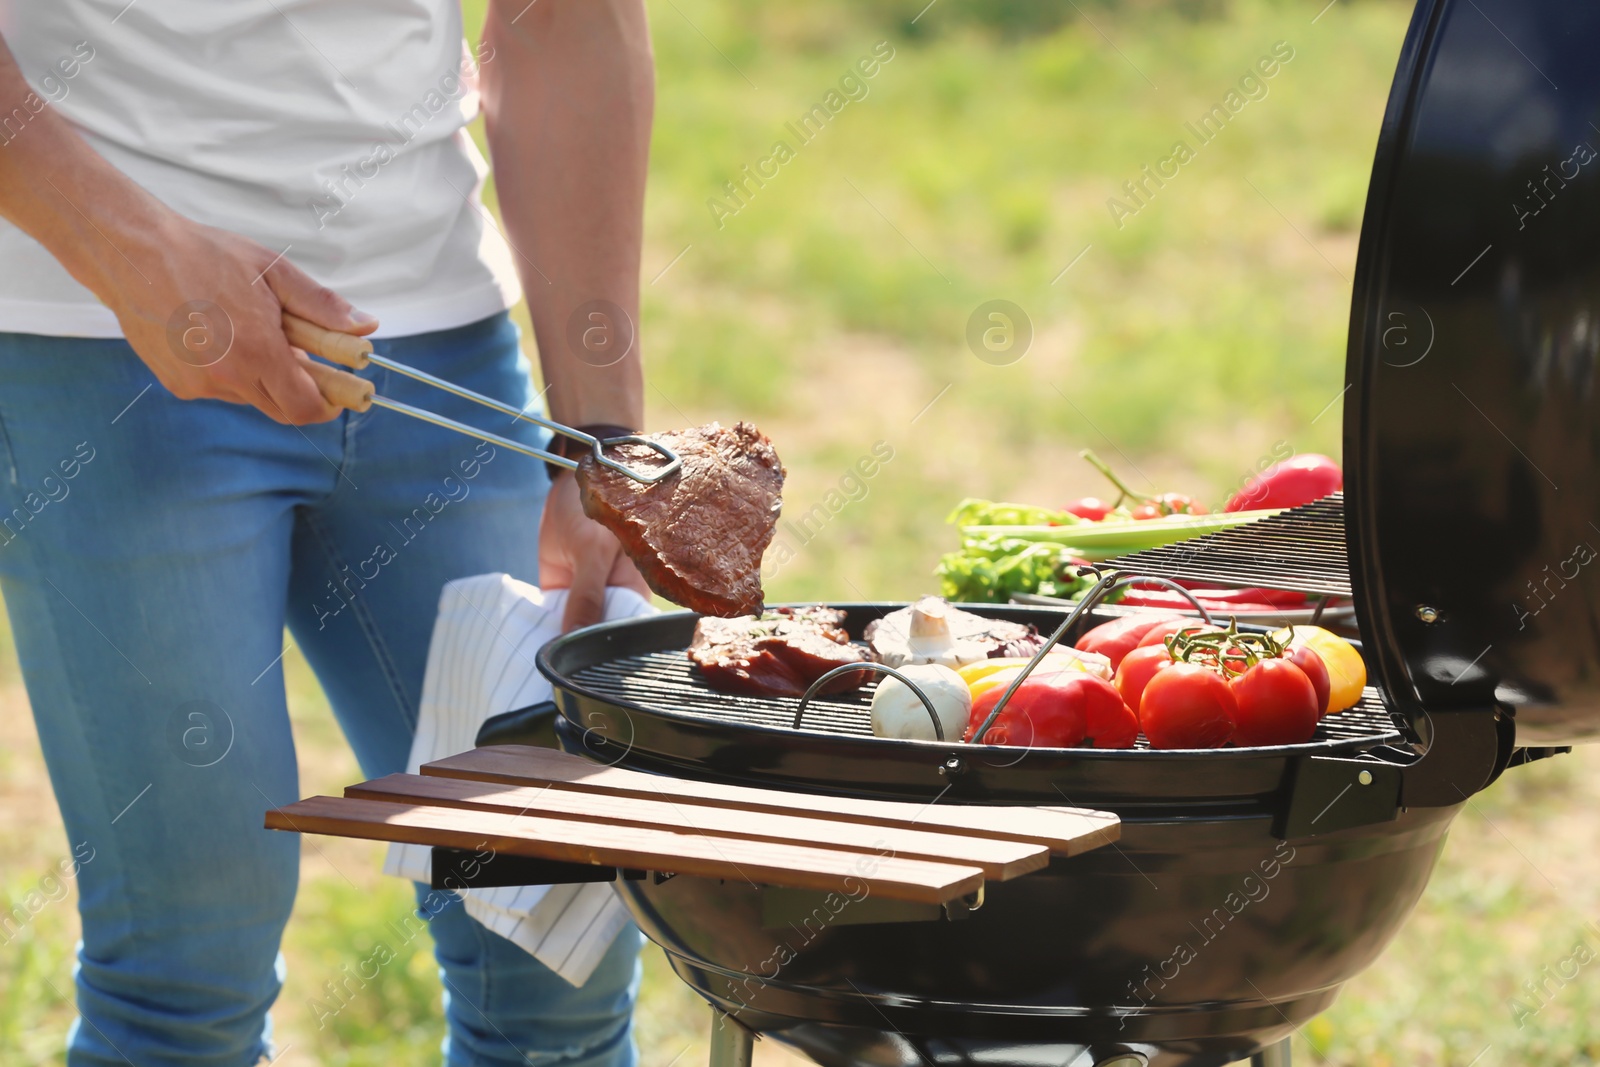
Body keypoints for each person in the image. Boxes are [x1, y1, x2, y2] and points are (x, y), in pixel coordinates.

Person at [0, 1, 655, 1064]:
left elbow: (569, 19)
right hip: (97, 338)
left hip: (440, 350)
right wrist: (124, 247)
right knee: (184, 974)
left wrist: (601, 437)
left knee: (555, 943)